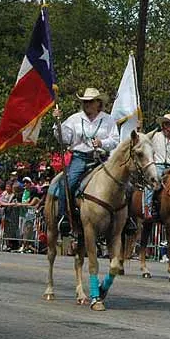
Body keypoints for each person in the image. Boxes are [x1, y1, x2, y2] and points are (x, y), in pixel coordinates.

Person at [51, 87, 120, 236]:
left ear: (98, 103)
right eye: (85, 102)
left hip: (102, 159)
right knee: (66, 183)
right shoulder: (74, 118)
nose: (87, 104)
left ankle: (126, 221)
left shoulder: (108, 119)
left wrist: (102, 143)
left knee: (124, 184)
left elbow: (115, 140)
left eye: (90, 101)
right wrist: (57, 123)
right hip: (80, 158)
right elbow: (65, 139)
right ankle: (64, 217)